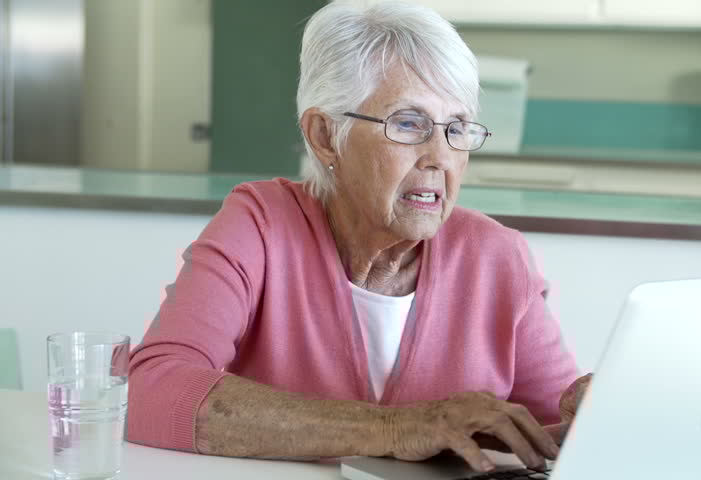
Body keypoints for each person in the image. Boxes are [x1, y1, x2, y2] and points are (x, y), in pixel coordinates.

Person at [127, 1, 591, 474]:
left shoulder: (497, 256)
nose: (440, 157)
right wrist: (397, 428)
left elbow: (554, 430)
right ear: (326, 136)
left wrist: (593, 417)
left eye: (456, 128)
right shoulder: (262, 225)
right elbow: (154, 392)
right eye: (409, 123)